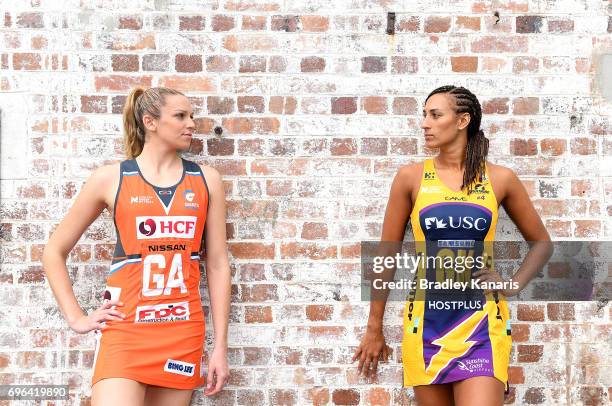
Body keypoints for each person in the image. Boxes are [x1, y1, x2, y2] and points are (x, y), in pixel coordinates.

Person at [353, 85, 552, 406]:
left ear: (462, 120)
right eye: (424, 115)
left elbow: (542, 243)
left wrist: (512, 284)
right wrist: (373, 327)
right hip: (426, 325)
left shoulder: (500, 179)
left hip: (482, 326)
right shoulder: (411, 178)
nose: (425, 124)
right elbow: (386, 255)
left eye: (435, 115)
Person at [43, 87, 231, 406]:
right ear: (150, 122)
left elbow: (216, 264)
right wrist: (77, 318)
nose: (191, 124)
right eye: (181, 116)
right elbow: (53, 252)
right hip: (125, 331)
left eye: (193, 116)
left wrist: (220, 347)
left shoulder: (206, 180)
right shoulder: (110, 178)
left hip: (181, 332)